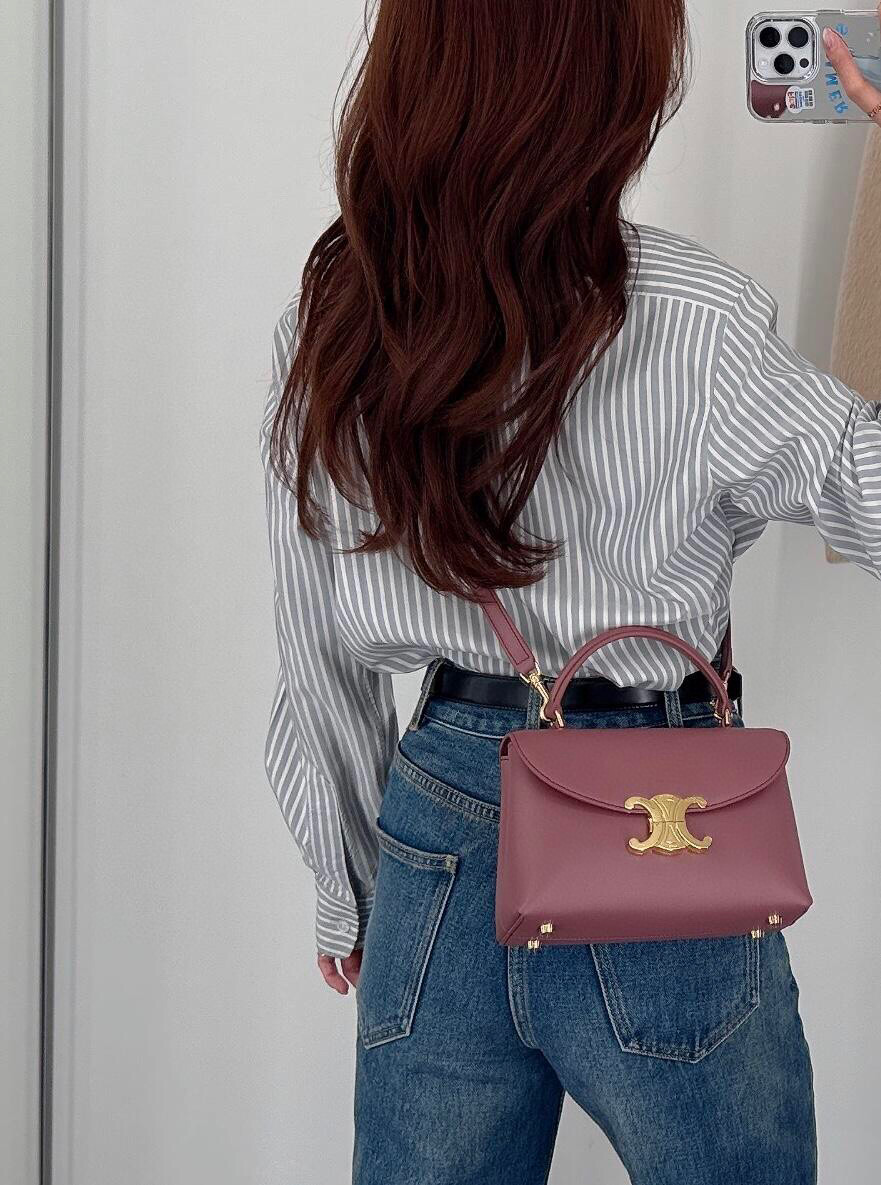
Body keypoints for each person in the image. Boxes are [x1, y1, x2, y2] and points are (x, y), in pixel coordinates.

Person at [259, 5, 881, 1182]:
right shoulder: (697, 319)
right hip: (668, 815)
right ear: (609, 83)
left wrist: (348, 894)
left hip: (436, 829)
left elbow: (313, 653)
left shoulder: (334, 320)